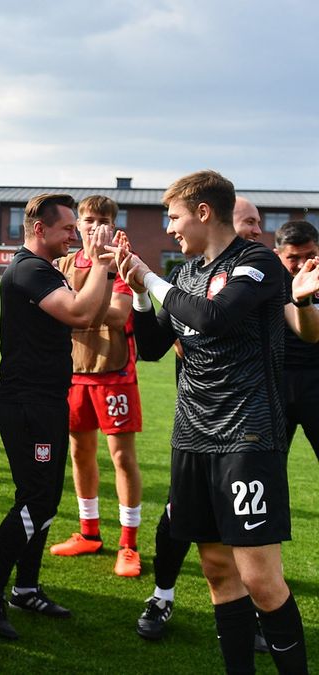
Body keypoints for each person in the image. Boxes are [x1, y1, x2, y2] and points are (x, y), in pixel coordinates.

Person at [119, 170, 310, 673]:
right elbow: (154, 347)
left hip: (247, 434)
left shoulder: (257, 261)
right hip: (192, 436)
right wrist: (140, 293)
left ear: (204, 212)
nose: (169, 228)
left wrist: (149, 278)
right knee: (218, 572)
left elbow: (212, 318)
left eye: (175, 216)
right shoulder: (184, 274)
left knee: (261, 579)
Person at [0, 193, 115, 640]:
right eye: (68, 228)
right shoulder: (30, 269)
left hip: (48, 399)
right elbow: (80, 313)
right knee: (34, 497)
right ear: (39, 229)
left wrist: (101, 264)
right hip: (27, 403)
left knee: (47, 497)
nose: (75, 234)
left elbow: (90, 317)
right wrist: (101, 262)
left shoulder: (47, 270)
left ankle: (26, 587)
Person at [49, 196, 145, 578]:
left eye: (102, 219)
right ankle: (89, 532)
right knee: (80, 453)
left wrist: (75, 306)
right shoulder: (65, 262)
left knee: (122, 458)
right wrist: (78, 306)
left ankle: (129, 543)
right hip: (74, 373)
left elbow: (120, 314)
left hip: (114, 372)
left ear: (114, 224)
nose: (94, 226)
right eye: (88, 219)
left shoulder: (122, 260)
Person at [275, 221, 319, 458]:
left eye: (310, 255)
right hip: (277, 383)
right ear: (277, 255)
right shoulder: (268, 282)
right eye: (293, 257)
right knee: (269, 466)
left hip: (317, 379)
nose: (303, 264)